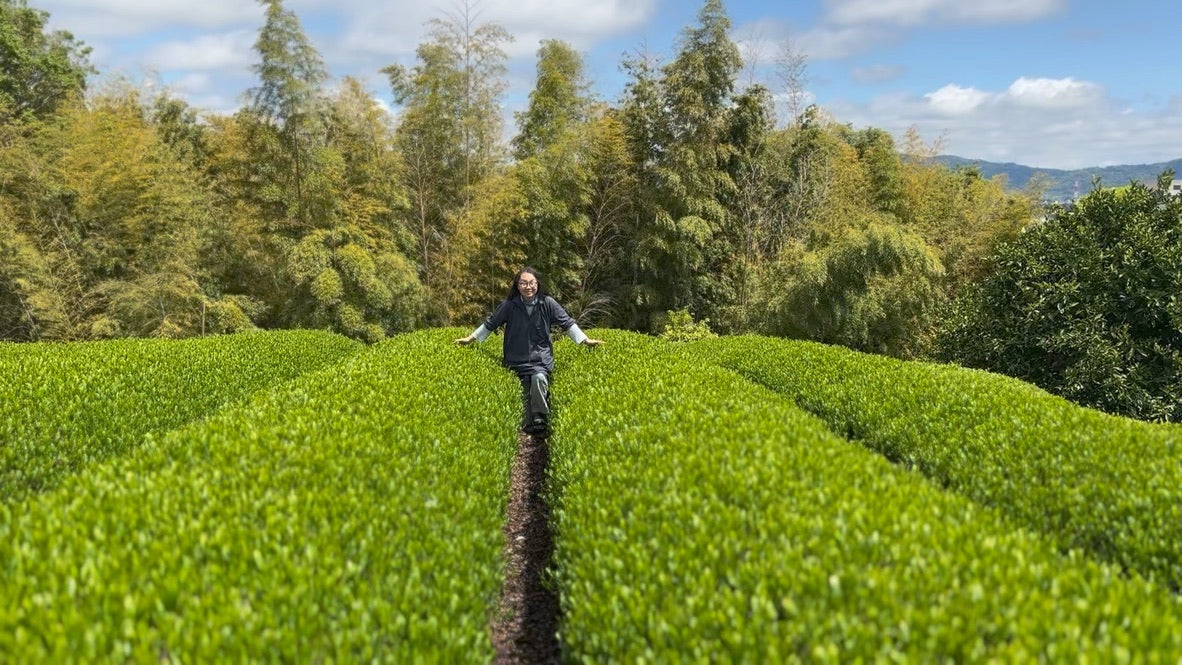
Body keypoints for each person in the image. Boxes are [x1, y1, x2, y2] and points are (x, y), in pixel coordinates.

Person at [454, 267, 604, 438]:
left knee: (539, 379)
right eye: (523, 283)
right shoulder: (509, 306)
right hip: (516, 360)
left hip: (540, 359)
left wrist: (585, 340)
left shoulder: (547, 303)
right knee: (524, 402)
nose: (528, 287)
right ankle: (527, 423)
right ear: (517, 286)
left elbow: (567, 323)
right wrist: (470, 338)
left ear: (537, 284)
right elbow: (491, 324)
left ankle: (540, 416)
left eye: (531, 283)